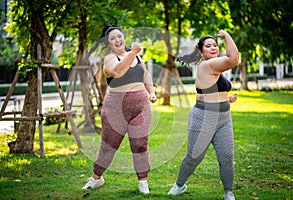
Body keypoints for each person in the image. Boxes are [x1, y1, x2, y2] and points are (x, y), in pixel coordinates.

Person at [82, 25, 157, 194]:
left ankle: (143, 182)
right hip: (116, 109)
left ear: (124, 38)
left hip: (141, 107)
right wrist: (133, 53)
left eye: (119, 36)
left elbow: (146, 76)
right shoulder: (109, 58)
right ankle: (96, 178)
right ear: (108, 44)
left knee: (140, 144)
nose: (117, 40)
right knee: (109, 146)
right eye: (112, 39)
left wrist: (151, 92)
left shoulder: (137, 58)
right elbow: (116, 72)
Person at [168, 30, 239, 200]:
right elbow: (233, 59)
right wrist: (227, 35)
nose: (213, 47)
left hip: (223, 117)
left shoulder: (214, 66)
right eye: (208, 46)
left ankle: (228, 192)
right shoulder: (206, 65)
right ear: (201, 52)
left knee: (227, 156)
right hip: (204, 117)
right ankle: (179, 185)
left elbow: (210, 90)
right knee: (194, 157)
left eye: (215, 44)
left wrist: (226, 98)